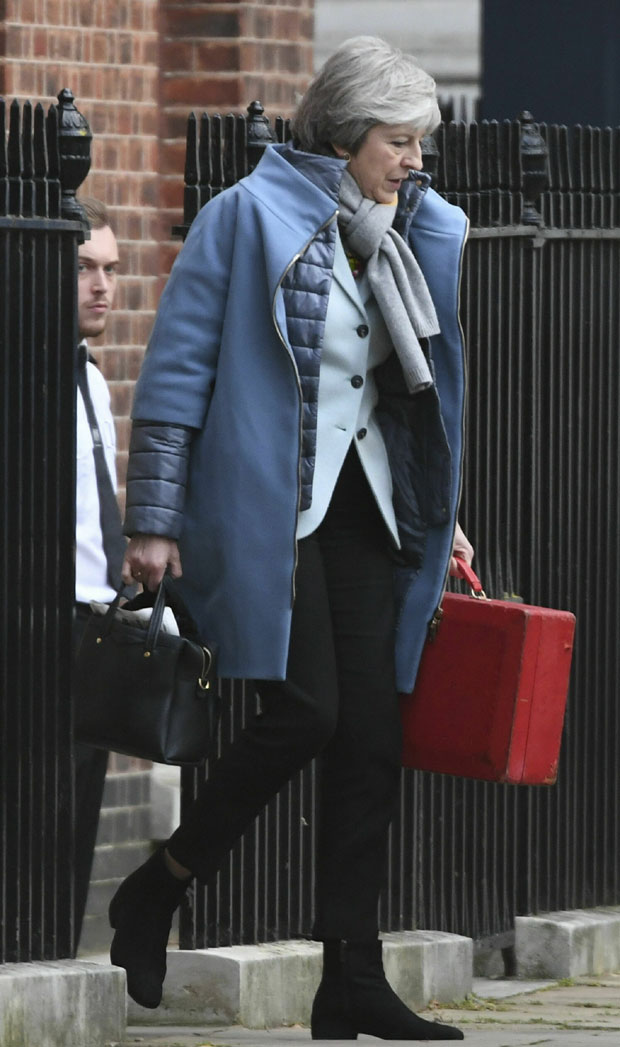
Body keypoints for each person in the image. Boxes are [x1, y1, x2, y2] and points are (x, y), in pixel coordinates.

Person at [109, 36, 473, 1041]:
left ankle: (350, 974)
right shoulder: (244, 216)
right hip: (271, 509)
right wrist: (154, 521)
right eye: (397, 141)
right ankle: (159, 883)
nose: (414, 161)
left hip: (365, 506)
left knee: (372, 738)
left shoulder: (404, 234)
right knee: (308, 711)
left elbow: (411, 402)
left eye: (418, 143)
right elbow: (176, 378)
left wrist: (442, 519)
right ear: (347, 135)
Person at [73, 196, 127, 952]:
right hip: (37, 617)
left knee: (81, 801)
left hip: (95, 620)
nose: (102, 287)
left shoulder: (92, 378)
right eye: (85, 267)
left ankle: (54, 943)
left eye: (111, 271)